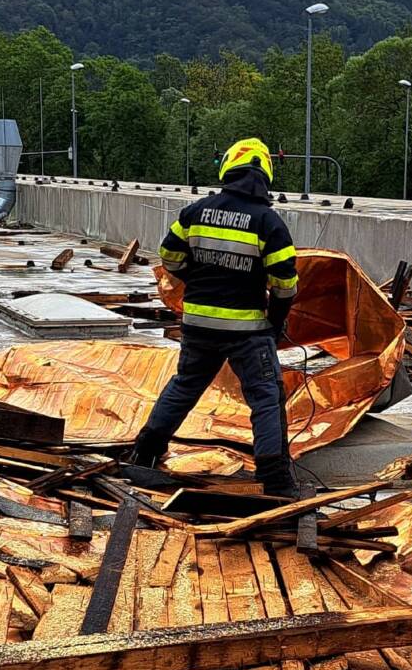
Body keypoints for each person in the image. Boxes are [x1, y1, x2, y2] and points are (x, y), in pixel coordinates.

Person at [129, 137, 300, 497]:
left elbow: (169, 257)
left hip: (198, 323)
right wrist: (275, 321)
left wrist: (200, 281)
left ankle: (145, 450)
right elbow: (285, 284)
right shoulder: (269, 223)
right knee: (265, 397)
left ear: (228, 168)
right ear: (265, 175)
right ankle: (276, 478)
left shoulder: (196, 212)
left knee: (185, 386)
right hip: (248, 329)